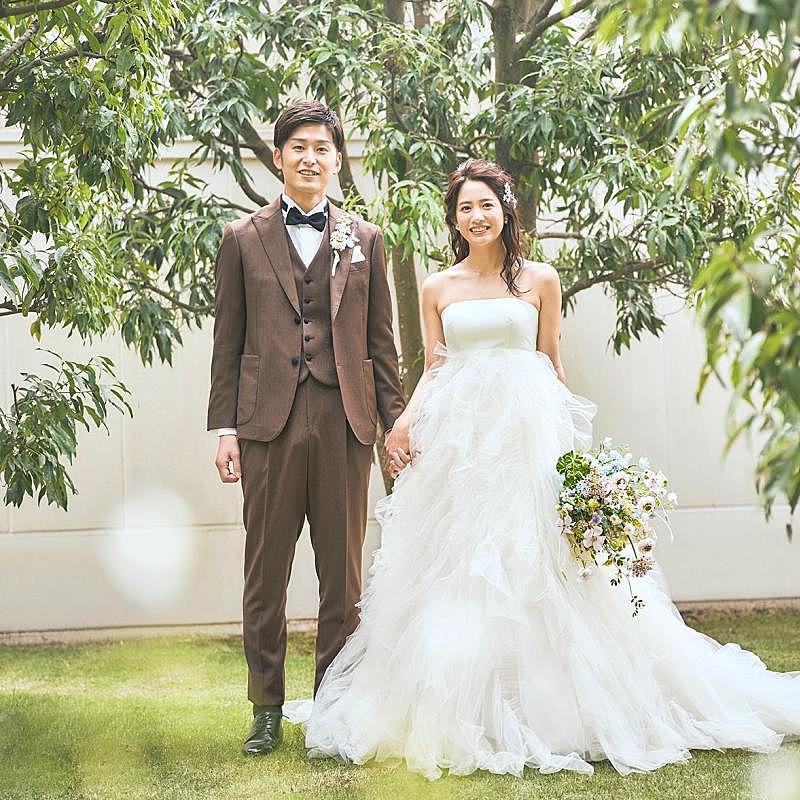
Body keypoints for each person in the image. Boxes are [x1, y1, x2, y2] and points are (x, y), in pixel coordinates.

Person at [284, 158, 800, 779]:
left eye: (486, 205)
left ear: (506, 212)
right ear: (454, 220)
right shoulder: (438, 287)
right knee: (460, 564)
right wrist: (404, 423)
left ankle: (554, 709)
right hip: (462, 443)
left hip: (525, 434)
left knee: (537, 559)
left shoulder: (541, 280)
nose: (476, 217)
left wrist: (573, 461)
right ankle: (460, 706)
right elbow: (435, 365)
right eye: (465, 208)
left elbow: (551, 363)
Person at [206, 100, 405, 756]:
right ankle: (265, 708)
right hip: (266, 424)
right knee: (265, 572)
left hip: (346, 423)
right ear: (279, 156)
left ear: (337, 159)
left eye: (322, 147)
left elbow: (381, 343)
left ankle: (332, 708)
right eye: (299, 147)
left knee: (341, 577)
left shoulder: (366, 239)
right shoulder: (242, 238)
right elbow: (228, 340)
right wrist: (225, 428)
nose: (310, 158)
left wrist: (394, 426)